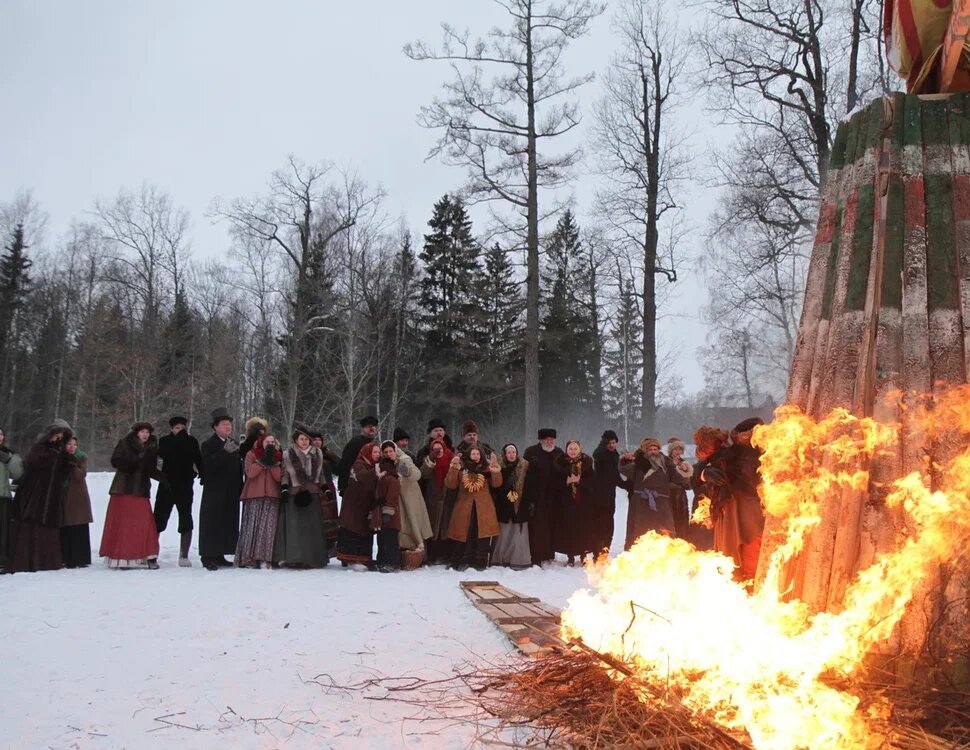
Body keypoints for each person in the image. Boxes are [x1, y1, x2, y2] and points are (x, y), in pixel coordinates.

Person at [694, 419, 765, 581]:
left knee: (750, 545)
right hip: (728, 510)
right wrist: (704, 473)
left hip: (746, 506)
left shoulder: (741, 452)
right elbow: (696, 475)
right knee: (732, 552)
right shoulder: (714, 462)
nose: (724, 446)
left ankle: (750, 581)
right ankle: (741, 581)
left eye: (723, 442)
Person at [8, 420, 73, 573]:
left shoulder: (60, 452)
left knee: (48, 528)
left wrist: (68, 461)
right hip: (34, 493)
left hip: (52, 495)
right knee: (31, 525)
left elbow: (63, 472)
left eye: (61, 436)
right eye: (56, 435)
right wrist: (53, 454)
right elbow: (34, 461)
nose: (58, 438)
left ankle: (48, 561)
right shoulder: (39, 448)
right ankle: (28, 561)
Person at [100, 422, 164, 569]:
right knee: (125, 524)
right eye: (142, 432)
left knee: (145, 523)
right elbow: (115, 461)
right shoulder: (125, 443)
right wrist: (134, 460)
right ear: (136, 433)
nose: (145, 435)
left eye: (147, 432)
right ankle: (123, 557)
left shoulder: (151, 447)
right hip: (124, 488)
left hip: (141, 489)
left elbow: (151, 469)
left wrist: (165, 478)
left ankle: (149, 556)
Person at [275, 427, 329, 568]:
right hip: (295, 493)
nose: (304, 442)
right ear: (296, 440)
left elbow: (320, 474)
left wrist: (325, 488)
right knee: (295, 528)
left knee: (312, 528)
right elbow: (285, 473)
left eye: (306, 439)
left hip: (312, 493)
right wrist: (284, 487)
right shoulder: (288, 454)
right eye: (301, 439)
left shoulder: (317, 453)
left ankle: (313, 558)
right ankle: (294, 558)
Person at [198, 407, 243, 571]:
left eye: (229, 423)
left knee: (227, 522)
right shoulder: (208, 444)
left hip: (231, 490)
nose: (228, 426)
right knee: (212, 522)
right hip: (214, 490)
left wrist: (241, 486)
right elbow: (207, 466)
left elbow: (238, 467)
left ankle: (220, 554)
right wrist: (224, 452)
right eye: (224, 424)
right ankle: (207, 556)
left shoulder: (233, 443)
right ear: (215, 427)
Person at [153, 416, 202, 567]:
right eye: (177, 428)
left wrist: (203, 473)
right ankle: (152, 552)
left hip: (185, 485)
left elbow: (198, 459)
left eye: (182, 428)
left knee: (185, 517)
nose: (180, 430)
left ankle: (184, 555)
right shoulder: (165, 441)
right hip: (167, 485)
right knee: (159, 518)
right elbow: (161, 456)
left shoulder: (191, 441)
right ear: (171, 429)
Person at [445, 445, 502, 571]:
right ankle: (461, 561)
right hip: (464, 507)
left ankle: (480, 562)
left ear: (481, 456)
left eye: (477, 454)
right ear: (468, 456)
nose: (475, 456)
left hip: (484, 508)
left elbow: (497, 484)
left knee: (482, 535)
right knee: (463, 534)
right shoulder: (461, 469)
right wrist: (453, 468)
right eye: (473, 454)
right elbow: (450, 484)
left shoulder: (487, 469)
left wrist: (495, 469)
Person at [619, 438, 680, 549]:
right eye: (650, 449)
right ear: (645, 451)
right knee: (641, 532)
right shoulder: (639, 463)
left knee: (664, 531)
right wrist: (625, 460)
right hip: (642, 504)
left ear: (659, 450)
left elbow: (678, 478)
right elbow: (624, 469)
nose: (653, 452)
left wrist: (684, 470)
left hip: (661, 504)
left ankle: (666, 553)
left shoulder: (666, 464)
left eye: (655, 449)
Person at [236, 432, 283, 569]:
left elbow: (278, 477)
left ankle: (265, 558)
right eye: (267, 442)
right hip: (253, 495)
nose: (270, 444)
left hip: (272, 496)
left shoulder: (278, 457)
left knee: (268, 529)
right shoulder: (251, 454)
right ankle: (248, 558)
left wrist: (272, 462)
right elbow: (250, 473)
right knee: (252, 527)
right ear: (261, 442)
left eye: (272, 442)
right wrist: (262, 461)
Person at [523, 428, 565, 566]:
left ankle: (549, 553)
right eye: (546, 440)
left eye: (551, 440)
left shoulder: (559, 453)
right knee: (537, 526)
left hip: (554, 495)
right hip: (537, 495)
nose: (549, 442)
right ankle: (536, 555)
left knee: (552, 524)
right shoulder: (531, 452)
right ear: (540, 440)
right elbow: (524, 473)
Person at [554, 440, 597, 566]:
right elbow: (554, 483)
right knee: (569, 529)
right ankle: (570, 556)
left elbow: (593, 482)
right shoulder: (560, 464)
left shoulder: (586, 463)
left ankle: (583, 555)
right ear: (566, 450)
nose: (573, 451)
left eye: (575, 449)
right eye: (570, 449)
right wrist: (566, 482)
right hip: (566, 502)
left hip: (583, 502)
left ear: (579, 450)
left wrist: (580, 482)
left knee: (583, 528)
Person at [336, 442, 379, 568]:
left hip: (364, 505)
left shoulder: (372, 465)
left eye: (378, 452)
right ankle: (351, 559)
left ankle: (362, 558)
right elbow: (362, 478)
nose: (377, 455)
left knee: (363, 530)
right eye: (374, 452)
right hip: (354, 506)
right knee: (353, 529)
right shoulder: (359, 464)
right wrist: (376, 472)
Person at [491, 443, 531, 570]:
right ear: (505, 454)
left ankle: (518, 559)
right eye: (509, 452)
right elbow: (495, 488)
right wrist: (507, 485)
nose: (512, 455)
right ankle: (501, 559)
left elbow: (531, 484)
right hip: (504, 504)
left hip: (520, 504)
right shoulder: (499, 467)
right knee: (504, 534)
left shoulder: (525, 466)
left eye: (513, 452)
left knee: (518, 535)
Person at [689, 426, 727, 552]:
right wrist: (703, 475)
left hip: (723, 507)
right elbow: (695, 485)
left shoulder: (725, 459)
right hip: (707, 507)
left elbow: (723, 480)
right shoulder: (703, 465)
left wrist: (706, 474)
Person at [419, 437, 453, 564]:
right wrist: (431, 459)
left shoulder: (451, 458)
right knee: (433, 527)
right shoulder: (429, 461)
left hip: (448, 498)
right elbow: (423, 474)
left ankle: (445, 555)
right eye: (435, 449)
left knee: (446, 527)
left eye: (440, 448)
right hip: (433, 499)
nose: (438, 451)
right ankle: (432, 555)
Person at [394, 444, 432, 558]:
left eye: (391, 451)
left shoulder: (404, 459)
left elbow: (417, 474)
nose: (389, 453)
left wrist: (408, 472)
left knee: (414, 524)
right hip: (396, 498)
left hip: (410, 496)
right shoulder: (382, 462)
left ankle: (417, 555)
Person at [60, 436, 93, 568]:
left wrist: (72, 464)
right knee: (66, 525)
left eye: (74, 444)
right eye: (69, 444)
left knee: (79, 525)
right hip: (64, 494)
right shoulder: (59, 457)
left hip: (78, 496)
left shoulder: (81, 457)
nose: (72, 447)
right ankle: (66, 557)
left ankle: (80, 558)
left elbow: (80, 475)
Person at [373, 441, 402, 572]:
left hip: (391, 508)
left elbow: (394, 489)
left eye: (390, 451)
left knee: (390, 537)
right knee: (382, 536)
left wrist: (388, 510)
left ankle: (391, 562)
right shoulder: (380, 468)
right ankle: (382, 560)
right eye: (385, 452)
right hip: (382, 506)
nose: (388, 454)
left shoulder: (395, 469)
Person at [591, 430, 621, 555]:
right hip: (599, 494)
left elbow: (616, 476)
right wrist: (604, 443)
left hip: (610, 495)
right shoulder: (601, 454)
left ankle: (605, 550)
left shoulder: (615, 455)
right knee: (600, 524)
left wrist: (628, 485)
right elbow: (596, 455)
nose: (612, 445)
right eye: (609, 443)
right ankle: (597, 551)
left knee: (609, 523)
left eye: (614, 443)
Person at [310, 430, 340, 554]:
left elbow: (339, 469)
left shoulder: (326, 454)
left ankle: (330, 546)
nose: (317, 442)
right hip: (314, 488)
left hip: (328, 487)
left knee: (330, 517)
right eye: (314, 440)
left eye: (319, 440)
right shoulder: (308, 454)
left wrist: (330, 455)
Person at [0, 426, 24, 572]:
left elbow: (18, 474)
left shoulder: (8, 454)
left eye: (1, 434)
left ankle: (2, 561)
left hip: (3, 496)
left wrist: (8, 460)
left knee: (3, 532)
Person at [337, 416, 379, 496]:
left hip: (369, 483)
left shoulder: (374, 443)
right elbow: (346, 463)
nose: (372, 428)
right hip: (355, 483)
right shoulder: (355, 442)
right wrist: (343, 486)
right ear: (363, 428)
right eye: (368, 426)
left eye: (374, 426)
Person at [666, 438, 694, 539]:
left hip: (681, 496)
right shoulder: (665, 462)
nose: (677, 452)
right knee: (670, 520)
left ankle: (682, 540)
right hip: (669, 496)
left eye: (680, 449)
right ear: (671, 450)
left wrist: (685, 473)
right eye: (675, 449)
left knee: (682, 520)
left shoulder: (684, 463)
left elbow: (688, 485)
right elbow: (664, 479)